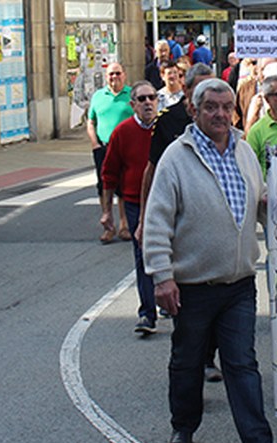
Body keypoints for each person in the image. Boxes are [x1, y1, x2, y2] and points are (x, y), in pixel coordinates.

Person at [143, 78, 273, 443]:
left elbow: (258, 203)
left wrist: (275, 206)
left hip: (239, 285)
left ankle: (258, 441)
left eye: (225, 107)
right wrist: (162, 277)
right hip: (192, 287)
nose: (220, 114)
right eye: (211, 107)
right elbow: (157, 220)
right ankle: (183, 428)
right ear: (194, 111)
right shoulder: (176, 157)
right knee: (187, 362)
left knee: (243, 365)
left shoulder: (244, 151)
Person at [139, 63, 224, 382]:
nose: (212, 102)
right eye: (202, 91)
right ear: (188, 93)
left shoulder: (223, 123)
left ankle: (208, 357)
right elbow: (152, 171)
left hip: (215, 224)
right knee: (190, 305)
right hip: (181, 223)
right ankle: (192, 362)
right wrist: (145, 220)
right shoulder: (169, 122)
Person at [100, 81, 159, 335]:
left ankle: (174, 302)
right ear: (132, 104)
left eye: (152, 98)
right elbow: (109, 173)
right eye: (142, 99)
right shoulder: (122, 132)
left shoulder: (167, 129)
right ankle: (147, 313)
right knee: (143, 255)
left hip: (169, 202)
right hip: (136, 203)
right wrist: (107, 212)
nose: (148, 103)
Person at [86, 62, 133, 244]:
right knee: (104, 186)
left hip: (125, 148)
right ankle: (108, 226)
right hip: (103, 147)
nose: (114, 77)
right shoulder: (98, 96)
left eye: (118, 73)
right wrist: (94, 143)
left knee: (123, 187)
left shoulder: (131, 95)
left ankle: (124, 225)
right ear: (106, 77)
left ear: (124, 75)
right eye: (111, 74)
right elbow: (91, 122)